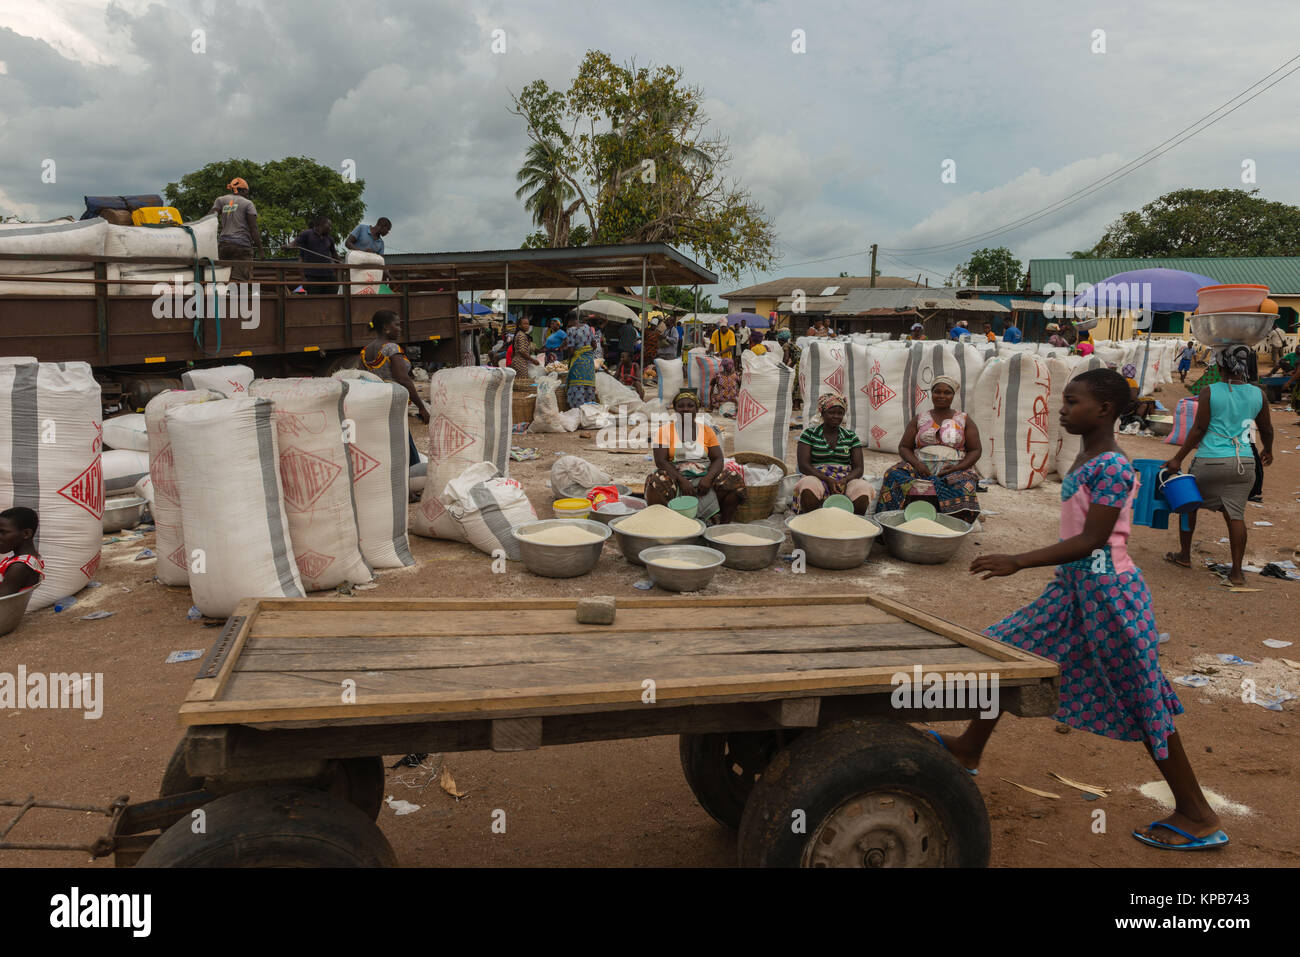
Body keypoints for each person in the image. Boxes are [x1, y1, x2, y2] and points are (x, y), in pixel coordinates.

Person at [944, 369, 1226, 851]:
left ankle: (1197, 814)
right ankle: (970, 747)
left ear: (1105, 410)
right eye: (1063, 401)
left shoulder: (1113, 466)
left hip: (1109, 596)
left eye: (1072, 402)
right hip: (1075, 589)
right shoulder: (1089, 456)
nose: (1063, 409)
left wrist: (1018, 560)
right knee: (1005, 652)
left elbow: (1093, 540)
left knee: (1144, 700)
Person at [1163, 345, 1273, 586]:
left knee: (1189, 503)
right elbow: (1266, 429)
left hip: (1211, 460)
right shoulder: (1258, 394)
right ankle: (1236, 572)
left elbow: (1199, 429)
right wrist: (1269, 449)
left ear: (1221, 366)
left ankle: (1184, 555)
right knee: (1235, 515)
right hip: (1244, 463)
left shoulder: (1210, 391)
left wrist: (1177, 459)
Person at [875, 376, 982, 523]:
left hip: (953, 468)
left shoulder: (963, 419)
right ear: (931, 394)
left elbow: (975, 450)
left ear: (953, 395)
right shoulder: (920, 418)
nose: (942, 396)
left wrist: (957, 467)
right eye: (937, 392)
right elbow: (904, 447)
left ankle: (955, 522)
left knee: (964, 483)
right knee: (893, 474)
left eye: (947, 392)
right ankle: (891, 519)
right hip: (921, 466)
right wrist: (917, 464)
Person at [645, 388, 746, 524]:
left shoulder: (707, 431)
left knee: (734, 479)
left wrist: (708, 479)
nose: (685, 409)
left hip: (702, 475)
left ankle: (721, 526)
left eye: (690, 406)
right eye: (680, 406)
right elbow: (661, 461)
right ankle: (664, 523)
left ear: (696, 409)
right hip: (676, 476)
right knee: (657, 481)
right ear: (675, 409)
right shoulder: (664, 431)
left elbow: (718, 459)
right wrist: (682, 481)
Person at [360, 310, 430, 466]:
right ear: (386, 327)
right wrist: (422, 407)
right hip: (394, 405)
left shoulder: (365, 351)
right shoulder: (391, 348)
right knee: (405, 445)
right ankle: (411, 476)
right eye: (397, 325)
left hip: (375, 405)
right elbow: (404, 380)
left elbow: (362, 380)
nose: (400, 329)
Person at [792, 394, 873, 514]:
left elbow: (859, 469)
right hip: (817, 476)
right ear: (822, 413)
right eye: (831, 412)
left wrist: (845, 480)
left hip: (845, 478)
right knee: (808, 485)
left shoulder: (851, 437)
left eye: (840, 413)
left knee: (862, 488)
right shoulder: (809, 434)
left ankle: (854, 524)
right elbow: (804, 465)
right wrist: (827, 479)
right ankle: (810, 522)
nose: (836, 416)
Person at [209, 177, 262, 282]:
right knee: (240, 279)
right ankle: (237, 297)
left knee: (223, 277)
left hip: (224, 245)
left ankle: (224, 297)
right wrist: (260, 249)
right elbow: (253, 228)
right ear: (243, 190)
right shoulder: (248, 204)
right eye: (247, 191)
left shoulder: (221, 200)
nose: (247, 194)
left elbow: (210, 217)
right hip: (241, 246)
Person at [287, 216, 338, 294]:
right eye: (329, 225)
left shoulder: (329, 238)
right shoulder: (307, 234)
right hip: (312, 275)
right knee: (315, 300)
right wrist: (288, 246)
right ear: (321, 224)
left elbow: (334, 254)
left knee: (331, 298)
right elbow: (294, 243)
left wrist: (342, 264)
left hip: (328, 274)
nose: (330, 228)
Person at [0, 506, 44, 597]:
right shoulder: (29, 559)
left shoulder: (19, 567)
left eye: (3, 532)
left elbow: (2, 603)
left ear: (26, 534)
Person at [563, 313, 600, 408]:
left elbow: (571, 351)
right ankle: (589, 412)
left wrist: (569, 360)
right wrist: (586, 352)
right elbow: (594, 345)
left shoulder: (571, 330)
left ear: (569, 321)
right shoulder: (587, 327)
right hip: (588, 363)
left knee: (577, 387)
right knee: (588, 387)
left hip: (578, 363)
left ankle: (578, 412)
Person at [509, 316, 540, 388]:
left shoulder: (521, 334)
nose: (527, 326)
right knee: (522, 385)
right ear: (520, 325)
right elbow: (522, 351)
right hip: (520, 363)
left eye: (528, 324)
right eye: (524, 324)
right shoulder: (521, 335)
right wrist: (533, 360)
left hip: (519, 361)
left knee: (518, 385)